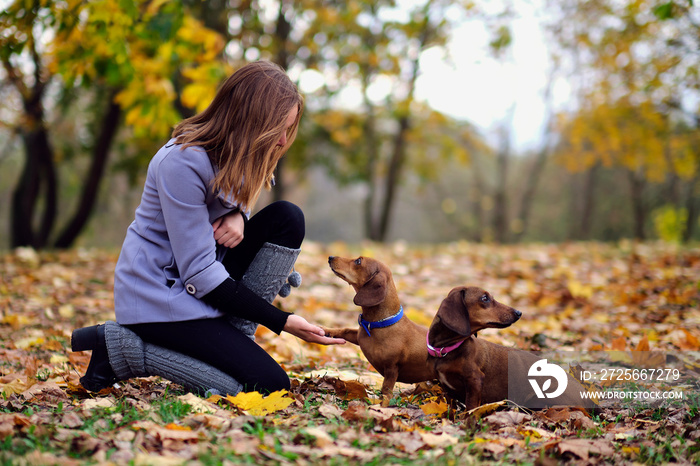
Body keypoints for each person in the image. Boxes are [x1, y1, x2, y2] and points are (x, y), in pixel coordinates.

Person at [71, 60, 345, 396]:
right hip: (160, 298)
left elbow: (235, 204)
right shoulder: (182, 162)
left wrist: (240, 217)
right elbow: (200, 275)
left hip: (203, 285)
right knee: (265, 386)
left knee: (287, 217)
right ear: (250, 122)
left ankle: (233, 332)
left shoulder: (243, 154)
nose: (282, 141)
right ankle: (121, 351)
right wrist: (281, 321)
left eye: (288, 129)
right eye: (278, 131)